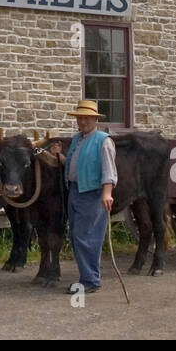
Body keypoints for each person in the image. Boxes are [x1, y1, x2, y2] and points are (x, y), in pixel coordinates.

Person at [57, 98, 116, 294]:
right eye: (79, 118)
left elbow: (109, 170)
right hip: (75, 190)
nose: (82, 122)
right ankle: (86, 277)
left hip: (92, 193)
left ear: (94, 119)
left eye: (86, 118)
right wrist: (58, 156)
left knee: (87, 236)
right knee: (76, 236)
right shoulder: (77, 139)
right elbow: (74, 165)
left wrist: (107, 193)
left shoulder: (103, 140)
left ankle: (90, 280)